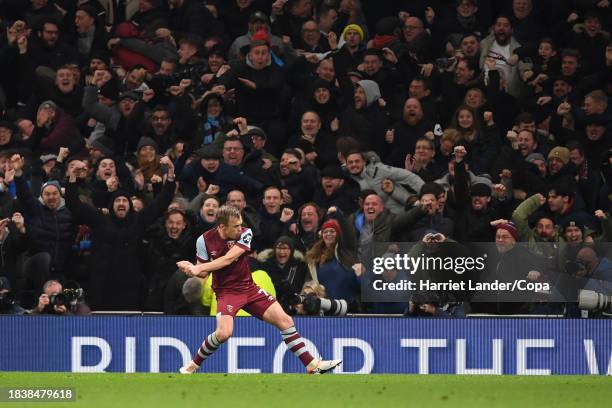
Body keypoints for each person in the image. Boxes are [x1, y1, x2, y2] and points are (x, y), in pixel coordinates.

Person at [176, 205, 342, 374]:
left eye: (240, 224)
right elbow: (203, 271)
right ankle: (194, 365)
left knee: (286, 321)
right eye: (235, 226)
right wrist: (192, 268)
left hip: (250, 289)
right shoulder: (203, 241)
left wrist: (197, 269)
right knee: (224, 333)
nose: (240, 228)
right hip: (227, 292)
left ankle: (311, 365)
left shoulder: (245, 233)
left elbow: (228, 258)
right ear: (222, 227)